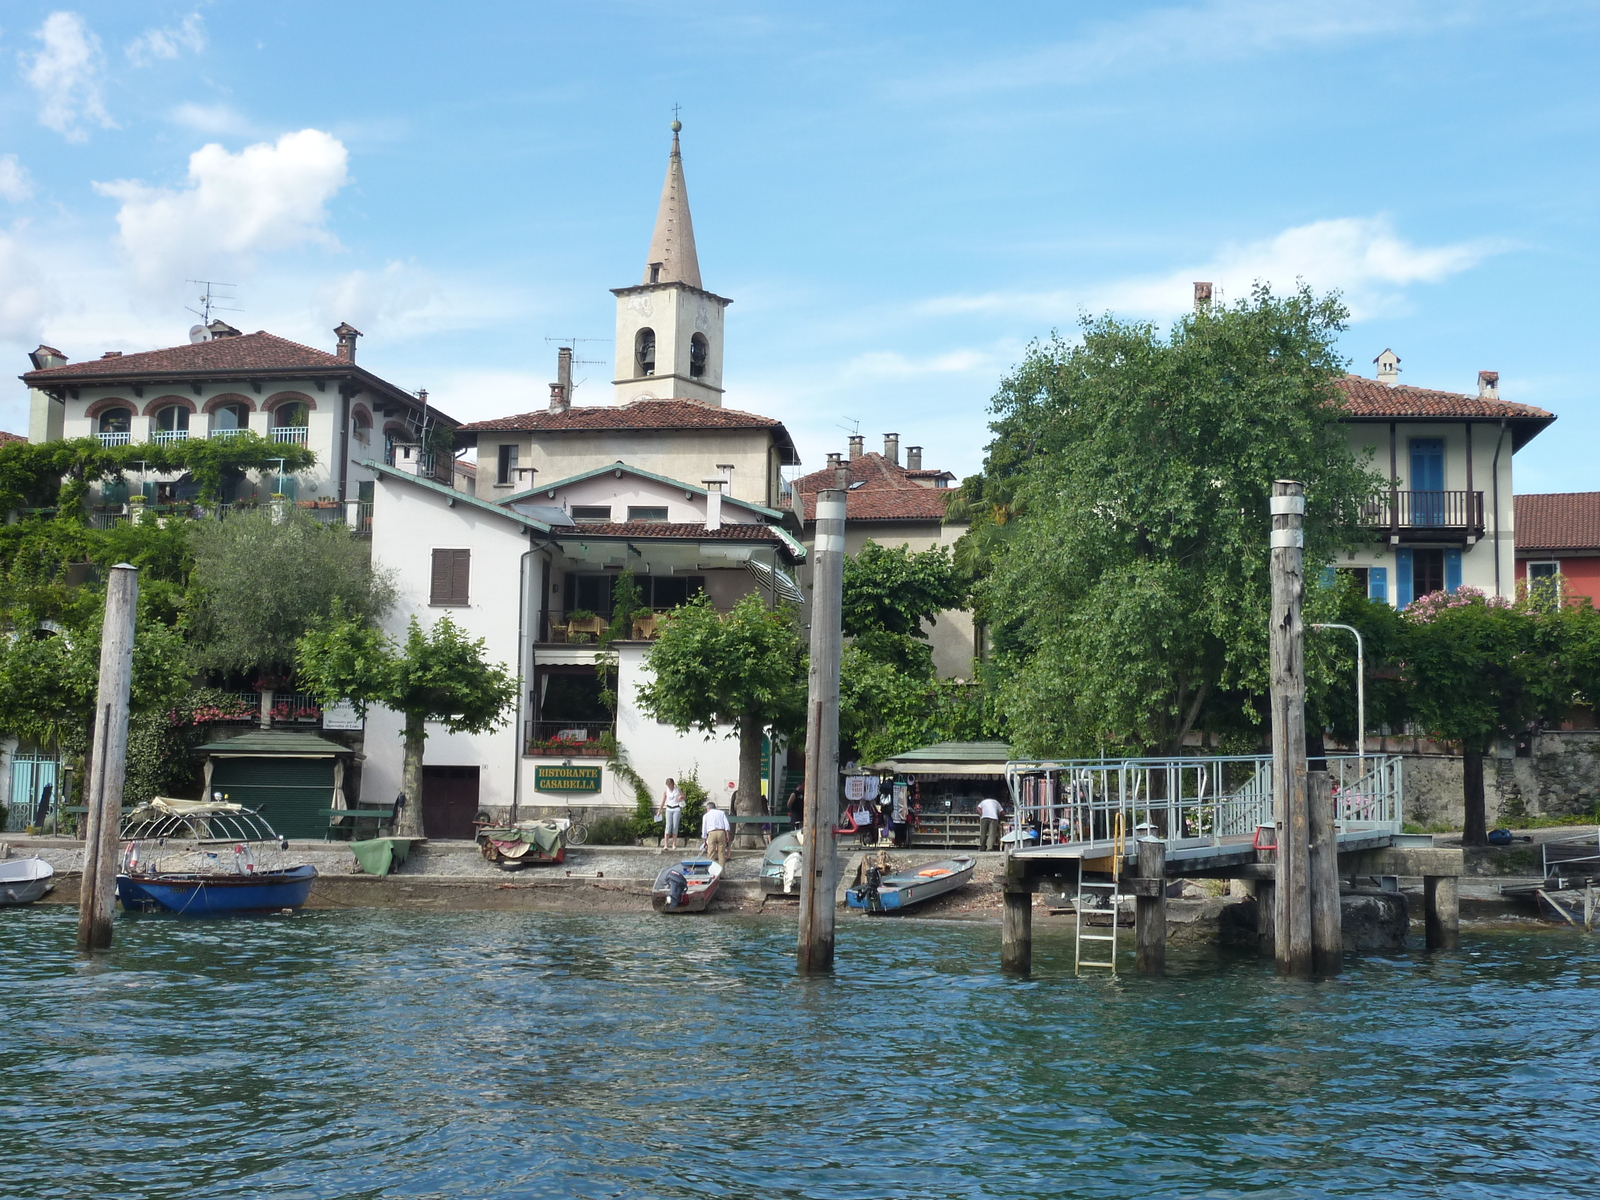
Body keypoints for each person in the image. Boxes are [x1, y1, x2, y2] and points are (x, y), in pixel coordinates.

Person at [701, 799, 731, 867]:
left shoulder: (706, 815)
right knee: (721, 854)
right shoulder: (721, 813)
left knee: (711, 854)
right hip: (721, 832)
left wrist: (704, 840)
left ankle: (712, 873)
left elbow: (704, 828)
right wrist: (727, 835)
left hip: (711, 833)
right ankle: (722, 874)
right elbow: (727, 825)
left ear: (708, 808)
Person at [658, 776, 684, 853]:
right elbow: (663, 801)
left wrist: (681, 797)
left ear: (673, 784)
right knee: (668, 826)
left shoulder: (678, 790)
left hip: (676, 808)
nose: (669, 786)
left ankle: (674, 844)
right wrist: (659, 810)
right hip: (669, 809)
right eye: (668, 785)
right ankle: (666, 844)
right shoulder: (666, 791)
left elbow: (684, 797)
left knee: (675, 826)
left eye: (670, 785)